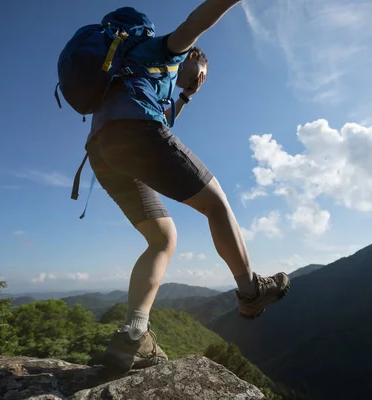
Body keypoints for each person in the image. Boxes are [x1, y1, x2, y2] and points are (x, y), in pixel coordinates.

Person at [87, 0, 290, 374]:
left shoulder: (127, 71)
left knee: (163, 238)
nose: (201, 76)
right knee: (217, 204)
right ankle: (251, 292)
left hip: (102, 151)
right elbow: (200, 18)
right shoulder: (164, 48)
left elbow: (152, 114)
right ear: (193, 56)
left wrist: (185, 96)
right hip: (137, 135)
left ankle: (132, 334)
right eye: (203, 68)